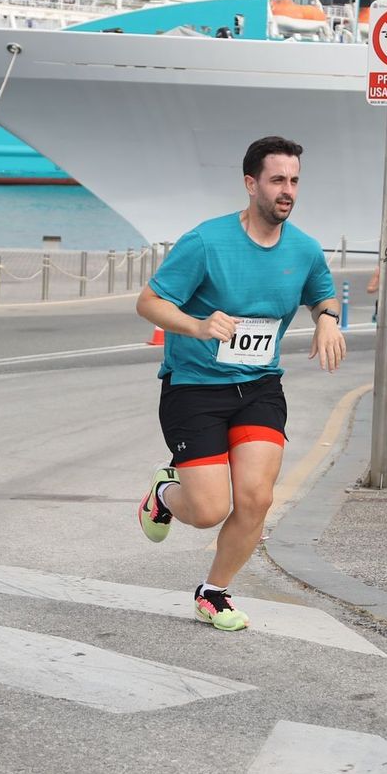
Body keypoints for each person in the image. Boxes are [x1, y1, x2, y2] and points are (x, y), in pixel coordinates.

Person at [134, 136, 345, 632]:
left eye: (294, 181)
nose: (287, 191)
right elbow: (149, 302)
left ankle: (214, 592)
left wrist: (328, 319)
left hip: (259, 387)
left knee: (256, 499)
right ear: (251, 184)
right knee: (209, 510)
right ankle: (165, 495)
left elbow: (323, 294)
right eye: (277, 180)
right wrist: (199, 325)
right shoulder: (207, 242)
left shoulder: (305, 249)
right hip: (195, 387)